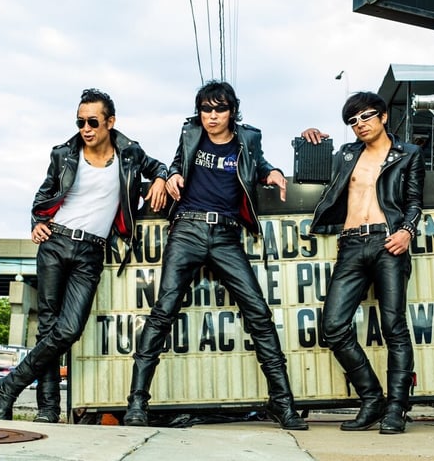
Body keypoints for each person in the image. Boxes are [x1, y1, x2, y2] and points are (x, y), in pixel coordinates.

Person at [123, 80, 308, 431]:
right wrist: (170, 175)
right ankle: (137, 403)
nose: (211, 116)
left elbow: (260, 165)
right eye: (206, 109)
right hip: (187, 229)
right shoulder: (190, 133)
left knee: (259, 313)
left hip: (226, 234)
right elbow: (177, 164)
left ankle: (283, 404)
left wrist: (273, 174)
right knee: (163, 312)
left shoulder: (248, 139)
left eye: (219, 109)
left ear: (232, 111)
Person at [0, 88, 168, 422]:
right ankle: (47, 410)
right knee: (48, 329)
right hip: (55, 243)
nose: (86, 129)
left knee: (70, 329)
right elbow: (43, 196)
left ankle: (9, 385)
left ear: (110, 122)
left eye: (93, 122)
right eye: (80, 122)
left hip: (91, 252)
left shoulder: (129, 154)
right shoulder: (64, 154)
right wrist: (36, 222)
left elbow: (159, 167)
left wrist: (160, 179)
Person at [301, 91, 425, 434]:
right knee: (333, 326)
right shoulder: (346, 154)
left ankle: (397, 408)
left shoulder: (408, 154)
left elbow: (415, 200)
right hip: (352, 244)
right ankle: (372, 399)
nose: (360, 124)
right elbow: (310, 172)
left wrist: (407, 231)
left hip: (388, 243)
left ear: (383, 117)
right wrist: (312, 142)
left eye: (366, 116)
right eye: (353, 120)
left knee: (394, 327)